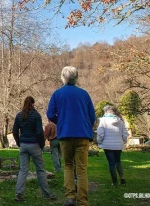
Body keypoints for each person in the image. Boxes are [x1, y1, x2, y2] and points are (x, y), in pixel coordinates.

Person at [46, 66, 96, 206]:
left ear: (63, 77)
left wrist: (61, 121)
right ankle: (83, 201)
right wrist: (86, 125)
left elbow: (50, 114)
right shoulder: (84, 94)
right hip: (83, 135)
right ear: (76, 77)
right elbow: (92, 115)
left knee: (68, 165)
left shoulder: (57, 94)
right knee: (81, 169)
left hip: (65, 135)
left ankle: (70, 198)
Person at [13, 96, 57, 202]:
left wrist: (19, 143)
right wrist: (41, 145)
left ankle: (19, 194)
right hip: (34, 145)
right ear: (33, 104)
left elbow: (14, 131)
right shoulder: (36, 116)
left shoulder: (19, 116)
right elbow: (39, 132)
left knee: (23, 170)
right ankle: (47, 194)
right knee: (41, 170)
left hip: (23, 145)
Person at [97, 105, 129, 186]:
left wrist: (99, 142)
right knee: (118, 161)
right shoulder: (120, 121)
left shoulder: (103, 120)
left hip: (107, 145)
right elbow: (125, 133)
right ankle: (122, 177)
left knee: (111, 163)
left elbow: (100, 133)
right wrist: (123, 141)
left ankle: (114, 182)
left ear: (106, 112)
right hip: (118, 145)